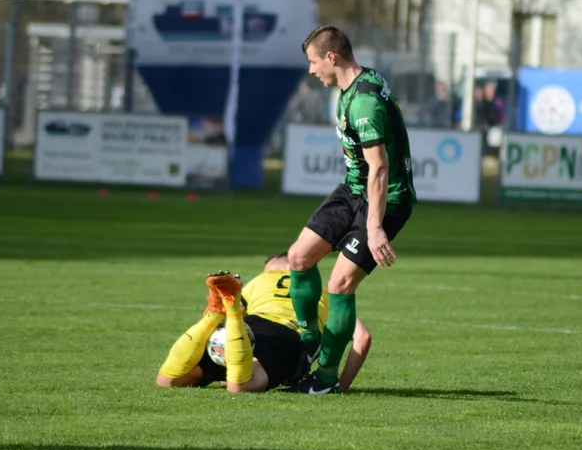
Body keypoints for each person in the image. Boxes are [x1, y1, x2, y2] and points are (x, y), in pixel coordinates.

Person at [287, 25, 416, 395]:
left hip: (386, 199)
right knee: (298, 257)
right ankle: (310, 340)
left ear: (332, 57)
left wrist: (374, 228)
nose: (311, 71)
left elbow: (380, 168)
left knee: (340, 283)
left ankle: (325, 380)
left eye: (314, 62)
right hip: (353, 190)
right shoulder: (353, 86)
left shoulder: (364, 102)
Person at [156, 254, 372, 393]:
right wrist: (341, 384)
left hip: (246, 328)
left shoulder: (257, 282)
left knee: (168, 381)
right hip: (287, 336)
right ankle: (231, 311)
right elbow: (363, 338)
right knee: (238, 386)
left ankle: (217, 312)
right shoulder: (322, 292)